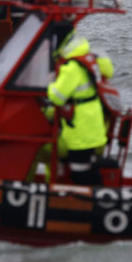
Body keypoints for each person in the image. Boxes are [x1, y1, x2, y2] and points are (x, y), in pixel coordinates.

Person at [46, 24, 114, 185]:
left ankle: (88, 204)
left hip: (80, 128)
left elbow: (56, 97)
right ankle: (98, 199)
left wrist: (48, 85)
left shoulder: (71, 68)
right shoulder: (86, 59)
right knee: (88, 168)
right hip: (92, 123)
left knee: (79, 173)